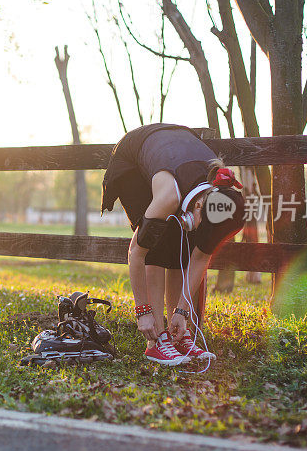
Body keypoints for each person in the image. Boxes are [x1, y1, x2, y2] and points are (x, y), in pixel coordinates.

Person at [101, 124, 245, 366]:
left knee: (184, 247)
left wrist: (182, 311)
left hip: (172, 150)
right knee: (155, 246)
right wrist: (142, 312)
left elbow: (200, 258)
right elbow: (136, 253)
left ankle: (177, 335)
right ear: (198, 207)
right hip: (133, 160)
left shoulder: (220, 202)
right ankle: (155, 341)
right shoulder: (170, 194)